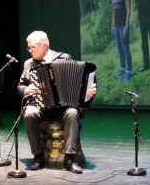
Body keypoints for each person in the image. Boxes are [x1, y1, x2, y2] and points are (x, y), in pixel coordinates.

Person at [17, 31, 97, 174]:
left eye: (32, 47)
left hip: (63, 109)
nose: (30, 50)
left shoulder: (63, 58)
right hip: (41, 108)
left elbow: (79, 83)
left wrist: (87, 93)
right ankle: (38, 156)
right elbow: (20, 86)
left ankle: (69, 159)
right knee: (29, 113)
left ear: (44, 45)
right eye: (29, 48)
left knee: (72, 112)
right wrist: (27, 89)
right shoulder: (29, 64)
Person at [111, 0, 133, 81]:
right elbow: (113, 11)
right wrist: (112, 25)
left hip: (123, 26)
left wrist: (126, 27)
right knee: (120, 49)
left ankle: (129, 71)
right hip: (116, 26)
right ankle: (122, 68)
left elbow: (129, 11)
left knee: (125, 48)